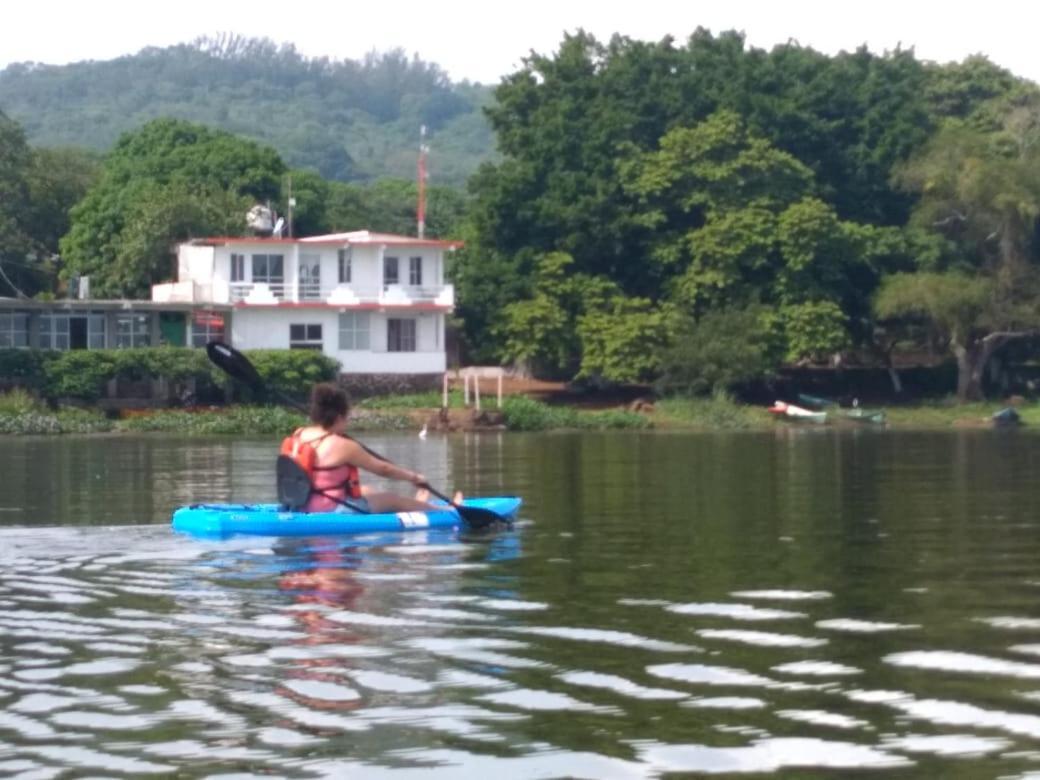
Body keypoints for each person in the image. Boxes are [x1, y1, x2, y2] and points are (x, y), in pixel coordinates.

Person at [289, 383, 461, 514]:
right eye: (347, 418)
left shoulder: (299, 433)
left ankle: (418, 505)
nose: (347, 422)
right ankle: (445, 512)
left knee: (367, 491)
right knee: (393, 499)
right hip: (330, 508)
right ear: (340, 417)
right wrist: (414, 477)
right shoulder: (343, 446)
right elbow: (383, 469)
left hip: (301, 502)